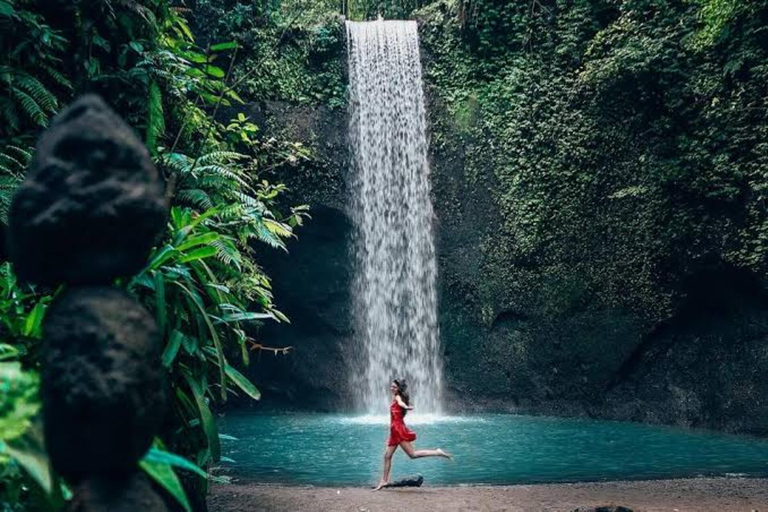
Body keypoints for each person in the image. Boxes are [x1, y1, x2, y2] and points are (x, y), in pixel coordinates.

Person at [374, 379, 452, 491]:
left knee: (412, 454)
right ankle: (384, 481)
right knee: (387, 456)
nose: (392, 388)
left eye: (394, 387)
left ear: (399, 389)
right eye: (391, 386)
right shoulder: (395, 397)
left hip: (398, 431)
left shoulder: (397, 397)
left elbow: (400, 403)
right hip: (394, 431)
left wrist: (405, 407)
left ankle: (437, 452)